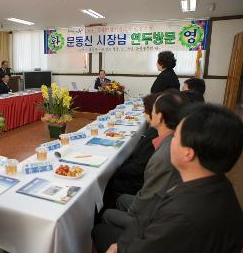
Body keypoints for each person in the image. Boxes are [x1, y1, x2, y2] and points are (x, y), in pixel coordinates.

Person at [92, 104, 243, 253]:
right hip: (152, 229)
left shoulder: (181, 215)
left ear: (188, 153)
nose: (170, 140)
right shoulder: (218, 183)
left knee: (100, 231)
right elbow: (150, 213)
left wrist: (119, 248)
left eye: (175, 136)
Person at [100, 90, 187, 230]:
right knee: (121, 199)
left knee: (106, 215)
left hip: (153, 217)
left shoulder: (164, 154)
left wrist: (132, 212)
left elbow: (148, 196)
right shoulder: (172, 140)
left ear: (159, 116)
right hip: (156, 201)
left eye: (152, 109)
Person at [102, 93, 159, 210]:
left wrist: (115, 169)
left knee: (109, 181)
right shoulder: (156, 132)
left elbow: (139, 166)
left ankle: (106, 211)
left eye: (145, 111)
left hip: (138, 181)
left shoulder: (155, 134)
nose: (143, 114)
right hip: (139, 172)